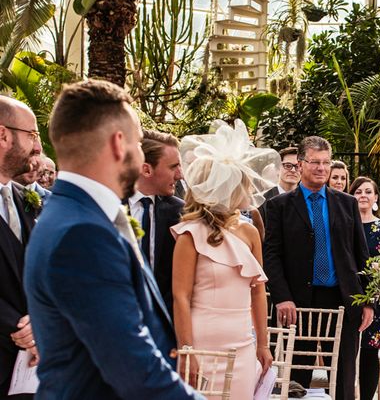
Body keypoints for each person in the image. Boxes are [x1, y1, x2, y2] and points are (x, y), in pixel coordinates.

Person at [23, 79, 202, 399]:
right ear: (119, 144)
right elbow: (134, 368)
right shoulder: (82, 234)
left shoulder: (71, 214)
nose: (140, 155)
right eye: (137, 142)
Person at [263, 136, 373, 400]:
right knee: (297, 378)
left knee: (344, 376)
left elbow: (361, 255)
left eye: (326, 162)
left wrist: (368, 300)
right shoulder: (278, 206)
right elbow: (271, 256)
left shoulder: (347, 203)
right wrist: (282, 298)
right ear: (301, 165)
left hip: (344, 300)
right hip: (299, 304)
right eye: (315, 162)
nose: (322, 168)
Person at [172, 119, 272, 400]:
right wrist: (187, 350)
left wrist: (262, 344)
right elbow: (180, 296)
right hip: (202, 342)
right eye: (243, 182)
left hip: (242, 343)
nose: (250, 190)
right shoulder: (189, 235)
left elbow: (258, 291)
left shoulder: (250, 231)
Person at [0, 96, 42, 399]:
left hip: (25, 371)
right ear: (3, 135)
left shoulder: (23, 199)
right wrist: (17, 325)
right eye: (32, 134)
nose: (38, 147)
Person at [351, 176, 380, 400]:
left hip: (378, 298)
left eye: (368, 192)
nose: (363, 195)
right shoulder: (344, 225)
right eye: (358, 191)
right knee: (347, 354)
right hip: (348, 296)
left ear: (376, 197)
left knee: (369, 355)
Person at [128, 129, 184, 315]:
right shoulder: (107, 207)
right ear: (146, 169)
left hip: (163, 324)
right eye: (173, 167)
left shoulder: (181, 212)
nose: (180, 175)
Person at [258, 146, 300, 224]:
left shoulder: (309, 200)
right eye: (288, 166)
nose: (293, 170)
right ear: (277, 168)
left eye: (298, 166)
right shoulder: (262, 200)